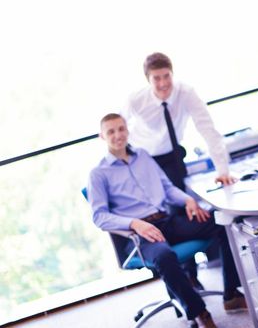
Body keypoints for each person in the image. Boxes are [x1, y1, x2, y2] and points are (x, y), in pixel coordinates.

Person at [87, 113, 246, 328]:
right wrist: (135, 223)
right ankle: (200, 313)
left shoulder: (143, 156)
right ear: (102, 137)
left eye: (121, 129)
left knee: (222, 222)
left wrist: (188, 199)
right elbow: (99, 216)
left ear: (127, 130)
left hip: (166, 220)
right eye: (111, 131)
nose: (118, 135)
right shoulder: (98, 174)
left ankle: (231, 295)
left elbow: (167, 188)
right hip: (140, 233)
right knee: (164, 256)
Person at [122, 52, 236, 191]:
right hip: (142, 157)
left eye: (166, 76)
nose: (163, 83)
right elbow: (116, 126)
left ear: (172, 74)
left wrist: (223, 171)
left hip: (171, 155)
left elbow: (208, 130)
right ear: (148, 79)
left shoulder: (186, 93)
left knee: (178, 200)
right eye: (156, 78)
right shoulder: (136, 99)